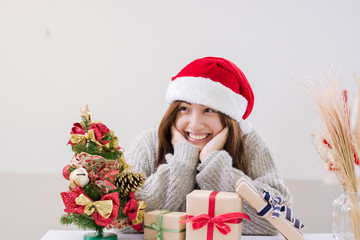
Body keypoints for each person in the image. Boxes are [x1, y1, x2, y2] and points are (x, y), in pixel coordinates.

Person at [126, 56, 292, 235]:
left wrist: (213, 163)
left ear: (229, 118)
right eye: (184, 108)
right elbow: (123, 220)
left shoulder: (249, 144)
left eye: (209, 110)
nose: (195, 124)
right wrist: (182, 163)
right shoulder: (149, 144)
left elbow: (277, 220)